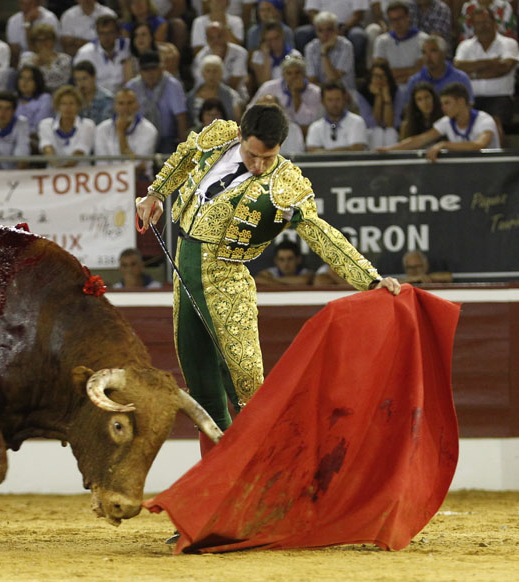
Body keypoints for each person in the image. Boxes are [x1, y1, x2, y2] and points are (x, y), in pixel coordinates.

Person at [136, 103, 401, 445]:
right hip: (183, 273)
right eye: (252, 155)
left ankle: (271, 474)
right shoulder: (218, 136)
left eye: (269, 157)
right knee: (200, 383)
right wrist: (155, 193)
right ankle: (219, 485)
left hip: (226, 280)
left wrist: (371, 280)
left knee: (248, 386)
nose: (259, 166)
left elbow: (320, 234)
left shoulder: (286, 185)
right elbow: (184, 155)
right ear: (241, 136)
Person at [380, 82, 498, 161]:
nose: (443, 108)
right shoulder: (446, 122)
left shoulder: (484, 120)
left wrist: (444, 145)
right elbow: (420, 140)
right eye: (442, 104)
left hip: (492, 170)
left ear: (461, 101)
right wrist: (390, 149)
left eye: (447, 103)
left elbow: (480, 145)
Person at [453, 7, 519, 144]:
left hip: (500, 97)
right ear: (473, 26)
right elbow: (459, 67)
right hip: (471, 98)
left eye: (485, 22)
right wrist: (491, 62)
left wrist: (473, 73)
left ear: (494, 23)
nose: (482, 26)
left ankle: (498, 160)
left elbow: (504, 68)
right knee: (462, 117)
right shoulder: (465, 46)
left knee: (494, 121)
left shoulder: (509, 43)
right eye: (478, 23)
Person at [126, 50, 187, 153]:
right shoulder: (132, 87)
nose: (150, 73)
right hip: (138, 136)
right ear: (139, 71)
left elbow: (181, 117)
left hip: (166, 138)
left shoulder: (173, 85)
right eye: (146, 70)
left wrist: (184, 149)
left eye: (153, 68)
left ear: (161, 68)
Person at [94, 87, 158, 179]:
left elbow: (139, 166)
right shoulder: (101, 129)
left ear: (137, 105)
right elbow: (101, 164)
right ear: (114, 106)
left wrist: (121, 132)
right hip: (109, 179)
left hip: (138, 179)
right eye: (121, 103)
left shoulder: (149, 130)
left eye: (130, 103)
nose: (125, 108)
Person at [249, 55, 322, 131]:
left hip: (302, 131)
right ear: (283, 75)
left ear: (304, 74)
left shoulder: (315, 92)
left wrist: (296, 94)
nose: (293, 76)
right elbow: (250, 110)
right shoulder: (269, 87)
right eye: (289, 73)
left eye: (297, 72)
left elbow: (306, 121)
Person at [404, 35, 473, 107]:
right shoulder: (414, 81)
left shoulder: (461, 79)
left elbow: (469, 108)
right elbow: (409, 111)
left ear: (444, 53)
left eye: (433, 51)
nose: (428, 57)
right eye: (424, 52)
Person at [37, 85, 96, 167]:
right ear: (57, 106)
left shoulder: (87, 125)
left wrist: (63, 171)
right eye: (63, 104)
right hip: (53, 175)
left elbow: (80, 151)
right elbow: (47, 149)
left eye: (71, 103)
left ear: (78, 106)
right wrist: (57, 168)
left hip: (80, 175)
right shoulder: (46, 124)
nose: (67, 108)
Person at [372, 1, 428, 84]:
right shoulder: (381, 41)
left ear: (408, 17)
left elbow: (421, 71)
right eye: (393, 20)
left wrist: (393, 73)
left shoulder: (423, 39)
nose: (397, 23)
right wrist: (409, 70)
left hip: (415, 87)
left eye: (400, 18)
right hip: (390, 88)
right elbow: (380, 72)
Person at [74, 15, 133, 93]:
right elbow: (79, 83)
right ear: (97, 33)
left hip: (125, 97)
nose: (106, 37)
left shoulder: (128, 46)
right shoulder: (85, 53)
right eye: (102, 33)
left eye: (110, 32)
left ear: (117, 33)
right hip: (98, 98)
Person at [306, 80, 367, 152]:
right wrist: (346, 149)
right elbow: (311, 151)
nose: (334, 104)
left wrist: (323, 152)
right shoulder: (315, 127)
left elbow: (356, 149)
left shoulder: (357, 122)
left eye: (338, 99)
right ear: (323, 102)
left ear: (344, 100)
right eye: (330, 100)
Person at [187, 55, 244, 129]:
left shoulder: (232, 96)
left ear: (221, 74)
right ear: (203, 74)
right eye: (208, 71)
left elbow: (237, 121)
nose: (211, 75)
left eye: (215, 71)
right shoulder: (191, 97)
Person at [303, 10, 356, 90]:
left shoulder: (346, 46)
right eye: (320, 31)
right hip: (320, 93)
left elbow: (334, 80)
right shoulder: (310, 47)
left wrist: (324, 52)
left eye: (329, 30)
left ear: (336, 30)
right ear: (316, 32)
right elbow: (312, 81)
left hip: (345, 94)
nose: (325, 34)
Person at [191, 20, 248, 92]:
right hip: (208, 96)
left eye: (219, 36)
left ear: (227, 36)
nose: (216, 41)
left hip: (236, 96)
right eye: (211, 38)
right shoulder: (201, 56)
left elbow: (234, 84)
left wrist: (218, 60)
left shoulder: (240, 53)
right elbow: (202, 84)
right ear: (207, 40)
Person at [249, 21, 302, 90]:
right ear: (264, 40)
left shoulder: (294, 55)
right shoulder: (258, 56)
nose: (274, 42)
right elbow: (263, 83)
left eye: (276, 38)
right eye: (269, 40)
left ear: (282, 36)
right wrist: (266, 57)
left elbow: (296, 81)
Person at [19, 23, 73, 91]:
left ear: (54, 40)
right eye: (39, 40)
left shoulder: (65, 59)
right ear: (34, 43)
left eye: (47, 39)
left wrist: (48, 64)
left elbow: (63, 82)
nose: (43, 43)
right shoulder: (26, 61)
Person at [6, 0, 60, 64]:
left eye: (30, 4)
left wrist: (27, 26)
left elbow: (46, 46)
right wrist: (27, 23)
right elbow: (15, 50)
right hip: (24, 61)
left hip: (49, 58)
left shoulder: (49, 18)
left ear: (38, 3)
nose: (26, 7)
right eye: (23, 4)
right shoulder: (13, 21)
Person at [359, 60, 399, 148]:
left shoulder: (396, 91)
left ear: (388, 77)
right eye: (376, 76)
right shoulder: (362, 93)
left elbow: (393, 123)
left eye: (383, 76)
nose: (379, 79)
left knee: (390, 132)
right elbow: (371, 123)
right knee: (377, 132)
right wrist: (378, 97)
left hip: (391, 131)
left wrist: (387, 98)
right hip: (371, 131)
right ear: (371, 77)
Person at [14, 64, 53, 147]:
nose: (25, 82)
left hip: (37, 140)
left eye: (30, 79)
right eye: (22, 78)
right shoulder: (13, 99)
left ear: (37, 82)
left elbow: (39, 126)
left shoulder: (45, 99)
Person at [73, 60, 114, 125]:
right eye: (78, 80)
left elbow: (106, 125)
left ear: (94, 77)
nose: (81, 83)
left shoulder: (107, 98)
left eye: (84, 78)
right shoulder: (73, 98)